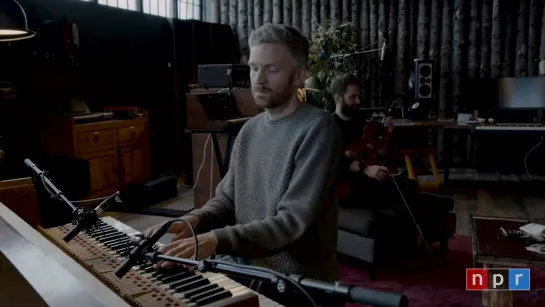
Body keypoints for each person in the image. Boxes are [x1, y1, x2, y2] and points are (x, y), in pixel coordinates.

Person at [144, 24, 342, 306]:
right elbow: (226, 201)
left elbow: (290, 223)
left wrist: (214, 240)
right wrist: (192, 221)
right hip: (246, 270)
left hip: (299, 284)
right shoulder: (250, 130)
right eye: (253, 68)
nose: (258, 80)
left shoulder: (319, 129)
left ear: (299, 76)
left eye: (272, 70)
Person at [331, 74, 452, 216]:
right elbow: (334, 162)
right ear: (337, 98)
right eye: (353, 97)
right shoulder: (329, 126)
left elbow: (381, 154)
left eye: (358, 96)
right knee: (408, 194)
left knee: (410, 186)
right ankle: (439, 206)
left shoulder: (361, 123)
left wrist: (387, 134)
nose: (358, 101)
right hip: (349, 187)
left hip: (370, 180)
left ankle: (437, 209)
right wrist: (366, 169)